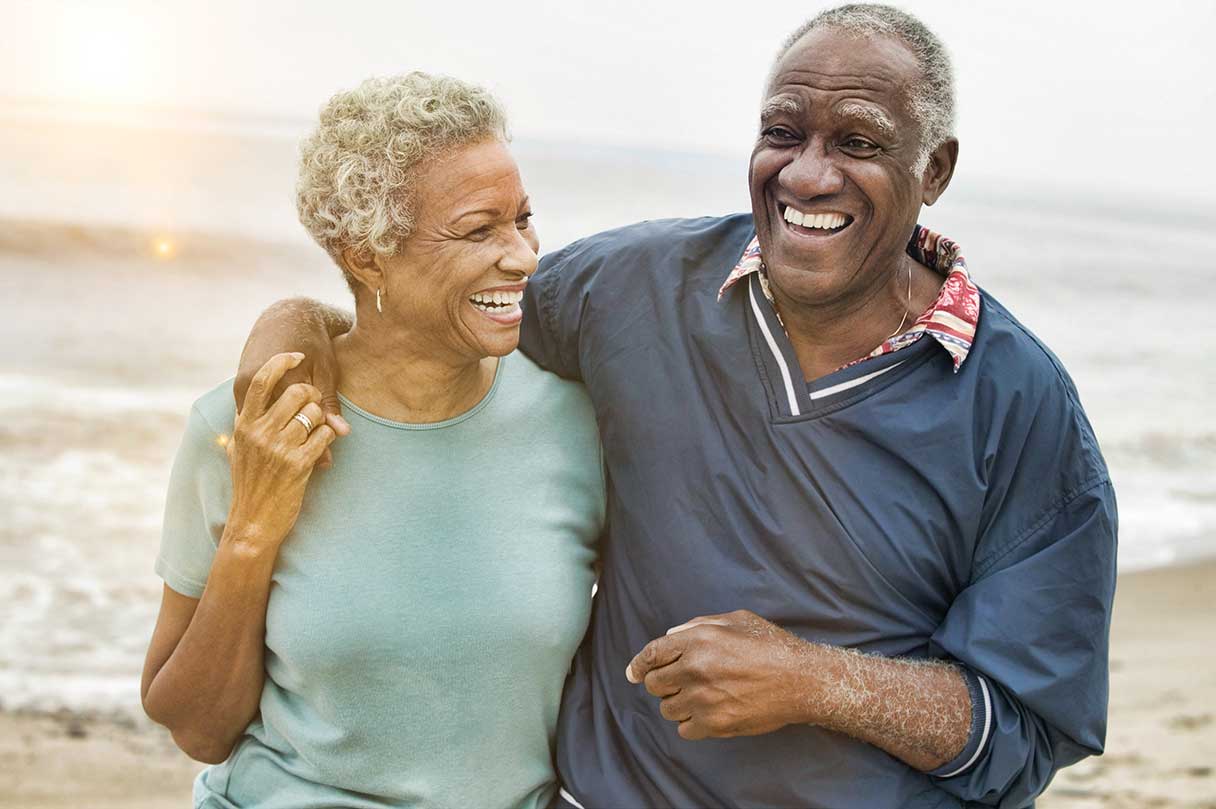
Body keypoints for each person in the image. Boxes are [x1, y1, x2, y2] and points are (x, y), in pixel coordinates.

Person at [236, 5, 1118, 808]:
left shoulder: (1022, 405)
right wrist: (292, 331)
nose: (808, 175)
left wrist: (813, 681)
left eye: (857, 142)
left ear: (934, 168)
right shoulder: (632, 287)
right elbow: (435, 317)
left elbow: (1030, 730)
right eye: (783, 132)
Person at [140, 73, 605, 809]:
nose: (522, 256)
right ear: (365, 255)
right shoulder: (243, 429)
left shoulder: (577, 424)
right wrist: (255, 529)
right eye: (480, 229)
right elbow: (197, 728)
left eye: (523, 219)